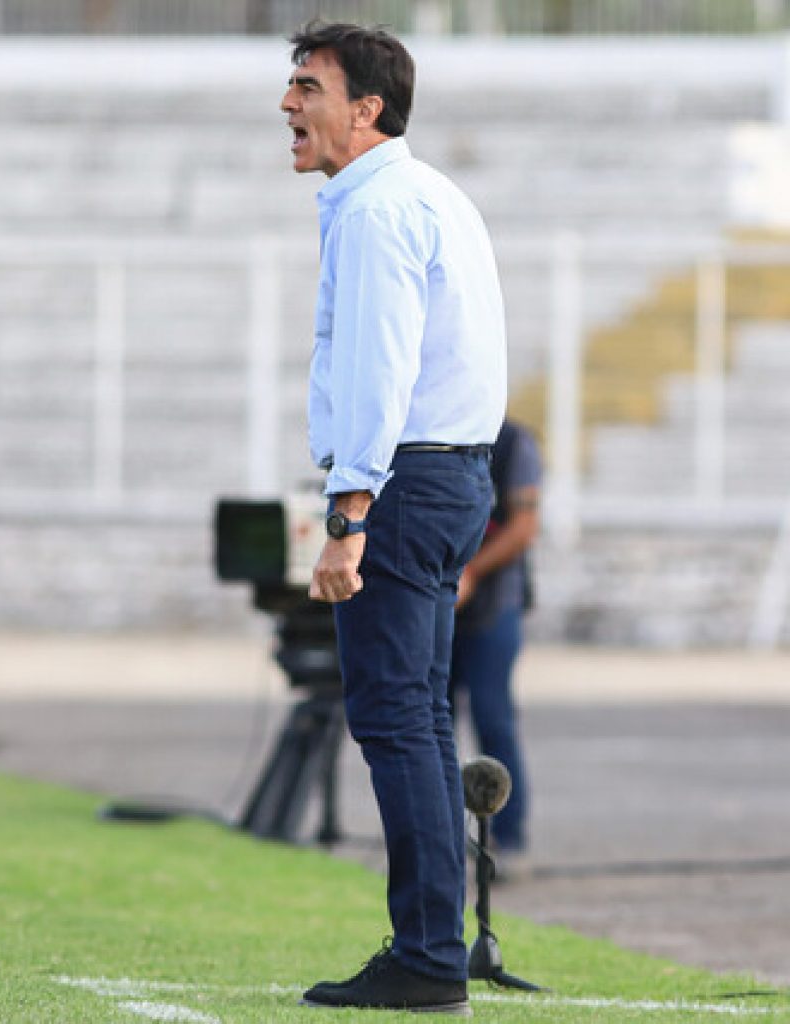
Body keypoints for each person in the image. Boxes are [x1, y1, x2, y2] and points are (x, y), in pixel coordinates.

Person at [281, 22, 506, 1014]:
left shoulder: (377, 211)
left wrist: (347, 509)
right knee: (413, 714)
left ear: (366, 108)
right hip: (450, 476)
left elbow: (381, 369)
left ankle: (424, 953)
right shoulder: (431, 194)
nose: (288, 105)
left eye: (308, 86)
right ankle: (433, 945)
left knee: (393, 717)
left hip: (405, 482)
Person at [451, 418, 541, 869]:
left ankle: (509, 839)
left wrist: (471, 572)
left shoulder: (511, 442)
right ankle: (441, 842)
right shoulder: (437, 432)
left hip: (493, 606)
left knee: (493, 719)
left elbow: (523, 527)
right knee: (430, 725)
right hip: (438, 606)